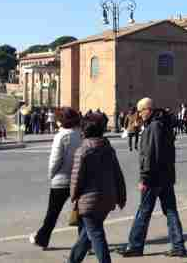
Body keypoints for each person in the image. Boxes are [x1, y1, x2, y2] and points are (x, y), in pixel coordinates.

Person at [120, 98, 187, 258]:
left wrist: (144, 178)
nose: (139, 114)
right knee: (170, 211)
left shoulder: (154, 126)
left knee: (143, 211)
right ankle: (178, 246)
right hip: (166, 176)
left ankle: (135, 246)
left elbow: (150, 155)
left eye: (141, 111)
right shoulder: (163, 123)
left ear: (148, 110)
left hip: (154, 178)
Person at [67, 114, 126, 263]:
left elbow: (76, 178)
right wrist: (121, 196)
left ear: (85, 131)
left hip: (89, 201)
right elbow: (117, 174)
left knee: (96, 234)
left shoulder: (83, 151)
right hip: (107, 199)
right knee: (88, 234)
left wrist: (74, 196)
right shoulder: (108, 149)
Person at [30, 108, 84, 250]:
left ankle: (42, 238)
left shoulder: (61, 136)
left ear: (63, 120)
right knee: (81, 214)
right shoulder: (81, 135)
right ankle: (85, 243)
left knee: (52, 214)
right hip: (78, 179)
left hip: (61, 180)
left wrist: (52, 175)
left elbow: (55, 160)